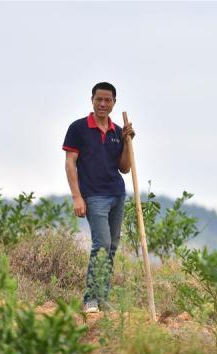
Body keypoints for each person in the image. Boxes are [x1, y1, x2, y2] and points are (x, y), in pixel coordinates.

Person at [63, 82, 135, 313]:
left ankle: (103, 298)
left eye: (108, 100)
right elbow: (70, 163)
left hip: (116, 194)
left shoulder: (116, 131)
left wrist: (127, 142)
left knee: (111, 246)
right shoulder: (78, 128)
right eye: (99, 99)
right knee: (101, 244)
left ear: (114, 103)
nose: (103, 104)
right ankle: (90, 300)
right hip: (93, 196)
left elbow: (124, 168)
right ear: (92, 100)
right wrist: (77, 197)